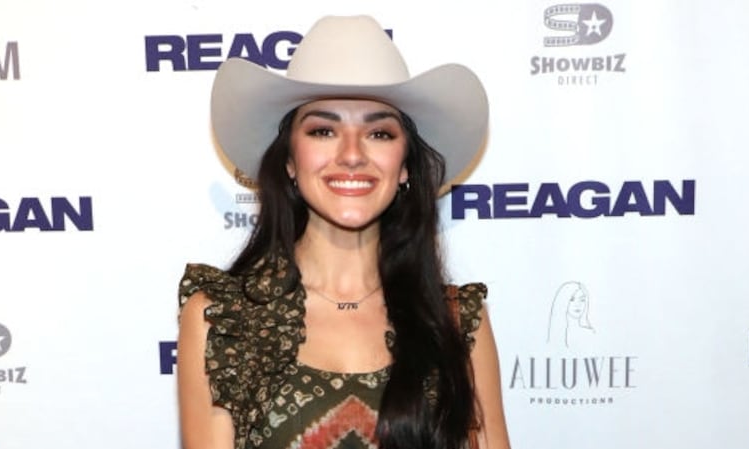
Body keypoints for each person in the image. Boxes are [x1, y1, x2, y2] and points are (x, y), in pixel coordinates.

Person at [176, 15, 510, 449]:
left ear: (405, 165)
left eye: (379, 133)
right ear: (289, 160)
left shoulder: (457, 321)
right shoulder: (222, 319)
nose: (352, 155)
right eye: (323, 130)